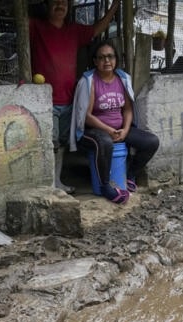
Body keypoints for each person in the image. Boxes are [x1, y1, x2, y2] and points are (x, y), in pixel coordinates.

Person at [29, 0, 121, 193]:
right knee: (49, 144)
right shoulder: (36, 26)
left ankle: (57, 182)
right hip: (44, 101)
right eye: (55, 2)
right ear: (47, 6)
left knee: (61, 143)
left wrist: (115, 5)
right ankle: (47, 185)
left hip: (69, 100)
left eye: (64, 2)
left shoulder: (74, 31)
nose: (60, 5)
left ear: (69, 7)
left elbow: (98, 28)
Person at [71, 40, 160, 204]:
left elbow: (127, 109)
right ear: (95, 61)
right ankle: (105, 187)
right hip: (92, 132)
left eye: (110, 56)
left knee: (151, 141)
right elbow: (87, 116)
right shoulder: (89, 81)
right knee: (105, 142)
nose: (107, 61)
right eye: (102, 57)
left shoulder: (122, 79)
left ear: (116, 59)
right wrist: (109, 130)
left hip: (119, 129)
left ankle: (131, 173)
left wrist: (125, 129)